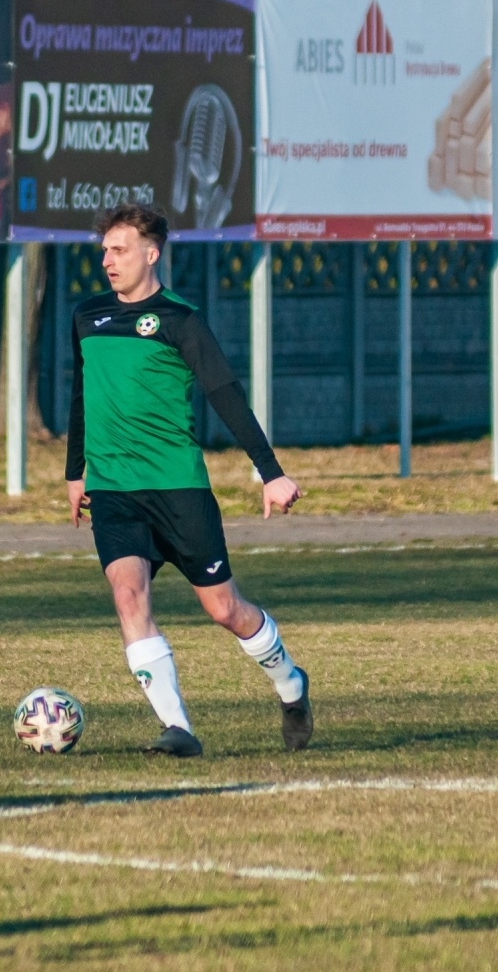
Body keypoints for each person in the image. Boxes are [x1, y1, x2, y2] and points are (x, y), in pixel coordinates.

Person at [66, 203, 312, 757]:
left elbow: (225, 394)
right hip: (113, 489)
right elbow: (81, 394)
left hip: (178, 488)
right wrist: (75, 471)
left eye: (120, 249)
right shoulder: (87, 315)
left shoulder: (180, 319)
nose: (108, 260)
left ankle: (291, 684)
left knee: (225, 609)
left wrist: (270, 473)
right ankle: (179, 728)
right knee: (128, 595)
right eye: (104, 250)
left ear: (151, 254)